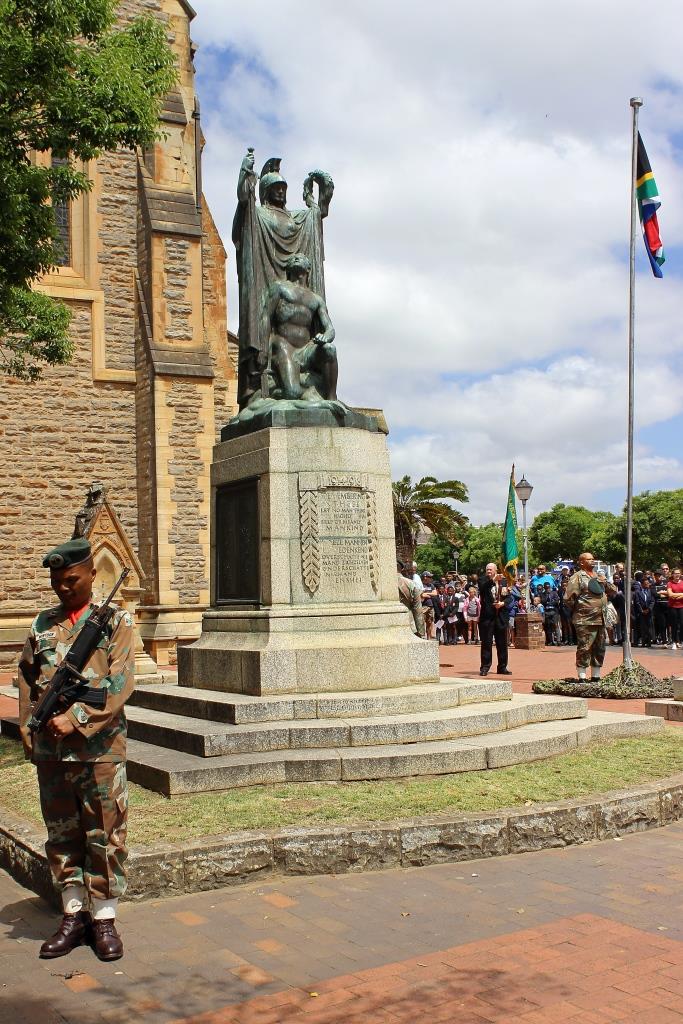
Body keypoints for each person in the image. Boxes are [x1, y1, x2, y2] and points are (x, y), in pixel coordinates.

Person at [17, 538, 135, 962]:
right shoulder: (42, 623)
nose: (63, 587)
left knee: (105, 833)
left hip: (99, 749)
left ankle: (103, 918)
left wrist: (78, 718)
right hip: (52, 750)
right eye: (56, 581)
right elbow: (28, 678)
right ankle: (72, 915)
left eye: (71, 579)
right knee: (62, 833)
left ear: (90, 574)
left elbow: (121, 682)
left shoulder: (115, 621)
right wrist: (28, 724)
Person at [260, 253, 339, 402]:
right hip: (284, 346)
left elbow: (330, 328)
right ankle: (284, 391)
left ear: (308, 268)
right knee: (291, 394)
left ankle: (331, 398)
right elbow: (266, 318)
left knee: (330, 349)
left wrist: (325, 337)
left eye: (301, 257)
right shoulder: (279, 288)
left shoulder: (316, 299)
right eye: (293, 258)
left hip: (307, 349)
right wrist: (264, 349)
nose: (296, 258)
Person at [563, 552, 616, 680]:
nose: (592, 561)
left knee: (599, 647)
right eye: (589, 559)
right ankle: (582, 675)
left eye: (593, 559)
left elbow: (613, 591)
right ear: (581, 562)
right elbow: (568, 598)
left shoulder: (598, 576)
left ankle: (596, 675)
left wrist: (605, 582)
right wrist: (582, 609)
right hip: (585, 619)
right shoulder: (577, 577)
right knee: (585, 647)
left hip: (600, 618)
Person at [478, 563, 511, 676]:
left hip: (500, 616)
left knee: (502, 643)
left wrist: (503, 603)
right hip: (487, 617)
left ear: (496, 570)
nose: (488, 572)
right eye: (487, 570)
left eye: (491, 570)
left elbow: (509, 597)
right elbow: (483, 588)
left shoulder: (503, 581)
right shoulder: (483, 580)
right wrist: (492, 580)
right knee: (486, 642)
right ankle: (485, 667)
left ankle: (502, 667)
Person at [397, 561, 426, 638]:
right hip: (409, 624)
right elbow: (418, 610)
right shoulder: (410, 583)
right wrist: (421, 632)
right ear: (402, 569)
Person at [667, 567, 683, 649]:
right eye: (675, 573)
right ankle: (674, 641)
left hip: (681, 607)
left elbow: (673, 595)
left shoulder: (682, 582)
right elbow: (670, 594)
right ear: (672, 574)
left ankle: (680, 641)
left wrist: (675, 595)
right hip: (672, 607)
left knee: (682, 624)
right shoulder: (670, 583)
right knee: (674, 625)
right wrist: (681, 595)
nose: (677, 575)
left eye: (678, 573)